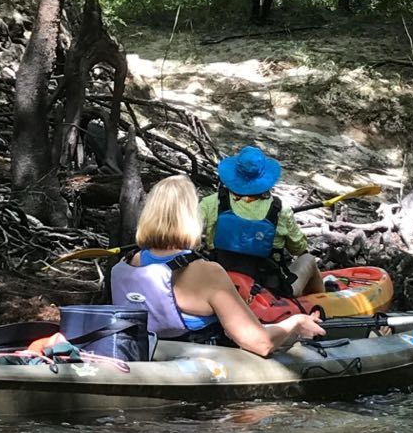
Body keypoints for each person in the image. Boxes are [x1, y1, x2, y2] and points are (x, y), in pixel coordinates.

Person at [111, 174, 325, 357]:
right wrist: (295, 322)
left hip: (148, 354)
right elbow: (260, 344)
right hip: (203, 363)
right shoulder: (207, 272)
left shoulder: (128, 263)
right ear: (192, 217)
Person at [199, 146, 325, 298]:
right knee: (308, 259)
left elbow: (190, 238)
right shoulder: (280, 210)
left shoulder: (210, 203)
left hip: (220, 280)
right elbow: (298, 248)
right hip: (268, 290)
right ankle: (322, 303)